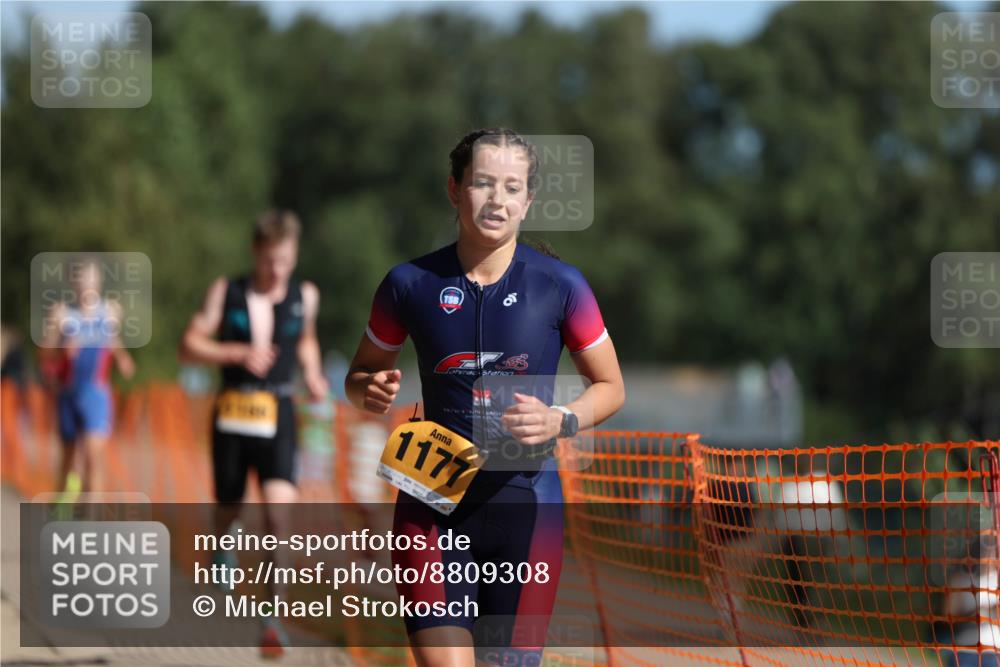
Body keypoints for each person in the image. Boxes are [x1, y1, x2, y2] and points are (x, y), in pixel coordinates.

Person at [345, 128, 625, 667]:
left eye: (512, 187)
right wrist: (370, 388)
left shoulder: (561, 286)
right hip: (431, 505)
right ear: (455, 189)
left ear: (528, 201)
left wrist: (561, 420)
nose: (497, 199)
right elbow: (358, 379)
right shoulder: (408, 283)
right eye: (482, 183)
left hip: (527, 507)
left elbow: (611, 387)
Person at [179, 210, 328, 658]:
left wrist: (315, 372)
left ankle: (273, 620)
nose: (277, 270)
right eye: (269, 261)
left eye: (285, 260)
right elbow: (190, 344)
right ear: (255, 253)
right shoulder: (227, 291)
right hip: (233, 409)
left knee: (278, 520)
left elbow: (305, 339)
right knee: (229, 507)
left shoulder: (306, 294)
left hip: (279, 411)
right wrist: (238, 351)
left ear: (294, 255)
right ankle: (222, 547)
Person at [39, 258, 135, 496]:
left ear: (99, 281)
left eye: (91, 279)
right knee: (68, 459)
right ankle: (63, 507)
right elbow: (43, 352)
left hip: (96, 392)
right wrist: (61, 350)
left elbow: (111, 338)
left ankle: (93, 521)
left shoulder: (111, 311)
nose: (86, 285)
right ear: (73, 282)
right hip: (68, 393)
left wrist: (122, 357)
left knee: (94, 456)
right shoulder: (61, 313)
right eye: (81, 280)